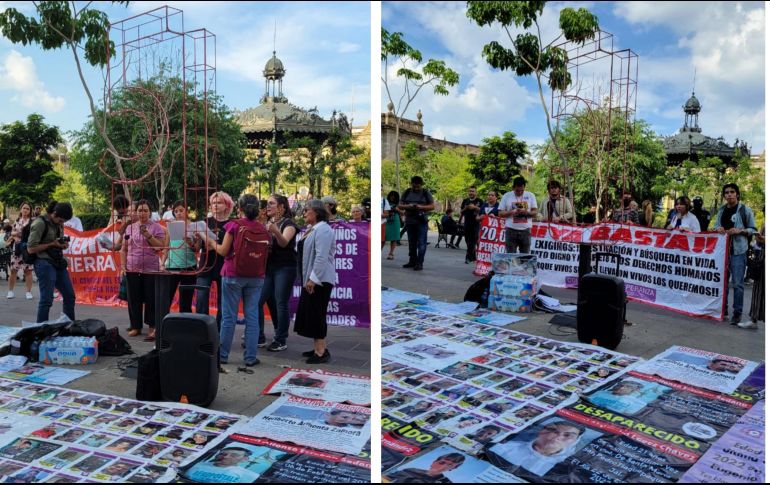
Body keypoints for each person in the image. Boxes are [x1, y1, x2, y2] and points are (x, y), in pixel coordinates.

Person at [205, 194, 266, 367]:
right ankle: (250, 357)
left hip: (233, 274)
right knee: (252, 316)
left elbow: (223, 251)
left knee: (229, 317)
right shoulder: (263, 228)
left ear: (239, 208)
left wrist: (210, 241)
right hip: (256, 276)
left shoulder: (234, 225)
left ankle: (223, 355)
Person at [294, 199, 337, 364]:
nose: (304, 213)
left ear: (317, 212)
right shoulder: (313, 229)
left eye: (307, 210)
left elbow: (321, 256)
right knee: (312, 314)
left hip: (320, 280)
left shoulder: (323, 230)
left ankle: (321, 352)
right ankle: (319, 347)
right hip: (312, 278)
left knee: (317, 314)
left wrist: (313, 279)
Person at [121, 200, 168, 339]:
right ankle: (135, 326)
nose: (142, 213)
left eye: (145, 210)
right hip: (132, 268)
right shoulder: (129, 228)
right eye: (140, 210)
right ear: (135, 212)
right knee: (133, 298)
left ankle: (152, 327)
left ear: (150, 212)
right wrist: (123, 266)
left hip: (150, 269)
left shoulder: (157, 228)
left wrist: (148, 235)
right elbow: (123, 249)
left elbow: (159, 247)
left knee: (150, 298)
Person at [259, 194, 298, 352]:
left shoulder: (289, 224)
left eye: (271, 204)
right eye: (267, 204)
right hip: (269, 267)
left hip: (285, 267)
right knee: (257, 301)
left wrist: (275, 231)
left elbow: (284, 242)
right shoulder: (268, 223)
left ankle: (280, 339)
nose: (268, 206)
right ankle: (259, 336)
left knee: (281, 302)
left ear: (282, 207)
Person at [713, 183, 757, 325]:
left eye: (732, 192)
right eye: (726, 192)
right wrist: (717, 228)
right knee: (722, 282)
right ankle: (723, 309)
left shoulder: (745, 210)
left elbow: (753, 229)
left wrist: (740, 231)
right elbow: (715, 226)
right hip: (723, 251)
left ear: (737, 194)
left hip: (739, 251)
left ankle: (737, 313)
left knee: (737, 284)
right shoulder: (721, 210)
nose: (729, 194)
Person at [27, 202, 76, 323]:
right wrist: (51, 244)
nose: (62, 223)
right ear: (54, 214)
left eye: (64, 221)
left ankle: (68, 326)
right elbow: (31, 248)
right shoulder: (39, 223)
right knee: (47, 299)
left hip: (57, 261)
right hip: (43, 262)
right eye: (60, 220)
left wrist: (61, 245)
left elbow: (57, 241)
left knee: (70, 296)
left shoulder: (59, 224)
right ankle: (41, 330)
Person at [488, 421, 585, 476]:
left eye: (568, 435)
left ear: (575, 441)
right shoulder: (505, 447)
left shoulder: (569, 468)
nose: (558, 437)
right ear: (541, 431)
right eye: (553, 430)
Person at [195, 191, 234, 329]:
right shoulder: (204, 222)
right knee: (201, 299)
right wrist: (194, 240)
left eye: (219, 203)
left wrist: (211, 243)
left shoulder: (232, 223)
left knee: (223, 302)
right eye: (213, 203)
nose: (215, 206)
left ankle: (219, 331)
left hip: (224, 266)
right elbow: (199, 246)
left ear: (227, 205)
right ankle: (202, 329)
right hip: (205, 264)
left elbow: (228, 247)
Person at [163, 200, 198, 313]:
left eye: (181, 210)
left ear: (186, 211)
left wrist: (191, 243)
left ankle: (185, 326)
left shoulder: (194, 226)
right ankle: (163, 325)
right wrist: (163, 263)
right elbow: (166, 247)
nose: (178, 213)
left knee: (186, 301)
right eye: (176, 211)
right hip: (172, 266)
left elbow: (197, 248)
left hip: (189, 266)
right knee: (166, 298)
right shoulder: (170, 226)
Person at [399, 176, 435, 271]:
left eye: (418, 187)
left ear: (421, 185)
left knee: (422, 243)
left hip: (421, 222)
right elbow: (400, 205)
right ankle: (412, 261)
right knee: (412, 243)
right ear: (411, 184)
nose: (416, 188)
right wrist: (409, 206)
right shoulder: (407, 192)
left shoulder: (426, 193)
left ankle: (419, 263)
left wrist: (420, 207)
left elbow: (432, 206)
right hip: (410, 221)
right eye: (414, 186)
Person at [499, 176, 538, 254]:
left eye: (522, 190)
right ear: (513, 187)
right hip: (511, 230)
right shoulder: (507, 196)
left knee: (525, 256)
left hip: (526, 231)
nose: (520, 192)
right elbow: (500, 213)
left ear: (524, 187)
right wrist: (511, 212)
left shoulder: (531, 195)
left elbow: (535, 213)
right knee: (510, 256)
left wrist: (526, 212)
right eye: (517, 190)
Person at [184, 447, 260, 483]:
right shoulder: (197, 465)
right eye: (223, 454)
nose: (226, 456)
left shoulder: (251, 476)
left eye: (234, 455)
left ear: (245, 459)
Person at [8, 202, 35, 300]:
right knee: (13, 270)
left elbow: (32, 234)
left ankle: (28, 292)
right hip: (17, 248)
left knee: (28, 271)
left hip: (27, 248)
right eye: (24, 208)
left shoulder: (32, 221)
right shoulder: (17, 220)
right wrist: (18, 233)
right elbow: (12, 232)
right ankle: (10, 291)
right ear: (21, 209)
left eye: (28, 209)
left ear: (30, 211)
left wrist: (18, 234)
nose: (25, 210)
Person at [386, 452, 465, 483]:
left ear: (453, 468)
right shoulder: (411, 470)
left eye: (450, 465)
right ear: (434, 462)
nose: (443, 467)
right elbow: (386, 478)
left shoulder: (446, 482)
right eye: (442, 462)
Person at [744, 226, 764, 329]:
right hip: (761, 258)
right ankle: (753, 319)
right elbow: (758, 239)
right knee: (757, 290)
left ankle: (753, 320)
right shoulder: (765, 224)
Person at [460, 186, 483, 263]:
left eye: (473, 191)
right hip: (467, 223)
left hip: (476, 224)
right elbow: (461, 212)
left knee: (473, 241)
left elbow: (483, 211)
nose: (471, 193)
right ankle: (473, 257)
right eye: (470, 191)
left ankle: (468, 257)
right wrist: (466, 208)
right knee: (467, 241)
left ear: (476, 192)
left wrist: (475, 207)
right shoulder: (465, 200)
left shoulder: (480, 201)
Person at [385, 191, 402, 259]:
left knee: (394, 237)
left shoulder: (399, 204)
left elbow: (402, 212)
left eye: (394, 196)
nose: (393, 197)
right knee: (383, 237)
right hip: (386, 219)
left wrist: (397, 210)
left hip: (395, 219)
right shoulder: (385, 202)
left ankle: (391, 253)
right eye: (391, 195)